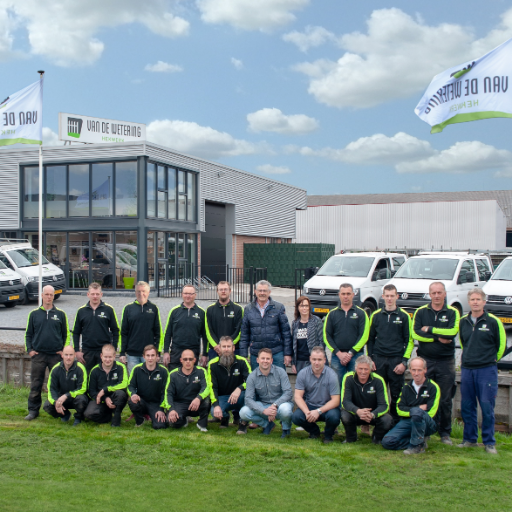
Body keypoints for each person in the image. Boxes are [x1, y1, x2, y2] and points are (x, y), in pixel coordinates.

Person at [458, 288, 506, 454]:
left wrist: (491, 360)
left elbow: (501, 346)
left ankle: (489, 442)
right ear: (469, 302)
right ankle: (470, 439)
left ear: (484, 302)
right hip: (468, 370)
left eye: (479, 299)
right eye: (473, 299)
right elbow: (464, 343)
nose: (476, 302)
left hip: (486, 370)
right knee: (467, 406)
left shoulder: (493, 321)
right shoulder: (463, 321)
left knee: (486, 407)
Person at [413, 282, 460, 445]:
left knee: (445, 399)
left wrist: (430, 329)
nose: (437, 295)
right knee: (423, 397)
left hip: (445, 362)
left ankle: (445, 433)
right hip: (425, 360)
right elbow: (415, 333)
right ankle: (424, 431)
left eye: (440, 292)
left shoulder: (453, 312)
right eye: (434, 293)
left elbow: (452, 332)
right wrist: (437, 338)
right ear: (429, 294)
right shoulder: (421, 312)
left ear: (445, 294)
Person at [367, 284, 413, 422]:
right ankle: (378, 422)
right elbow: (370, 339)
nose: (389, 298)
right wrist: (371, 359)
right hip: (378, 360)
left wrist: (404, 362)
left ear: (397, 297)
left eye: (392, 296)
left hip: (396, 361)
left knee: (396, 394)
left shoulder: (404, 316)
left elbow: (409, 341)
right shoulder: (375, 315)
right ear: (382, 297)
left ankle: (396, 422)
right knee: (377, 392)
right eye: (387, 296)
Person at [24, 285, 71, 421]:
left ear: (53, 296)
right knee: (36, 384)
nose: (49, 297)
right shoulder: (34, 314)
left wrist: (63, 351)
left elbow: (65, 334)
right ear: (42, 295)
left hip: (55, 356)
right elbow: (28, 334)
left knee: (58, 385)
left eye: (51, 295)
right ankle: (33, 411)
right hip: (38, 356)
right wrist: (30, 350)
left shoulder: (60, 314)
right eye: (47, 294)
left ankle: (61, 411)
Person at [382, 357, 440, 454]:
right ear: (410, 370)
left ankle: (416, 447)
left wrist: (415, 412)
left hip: (428, 423)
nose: (416, 373)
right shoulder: (406, 387)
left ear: (425, 370)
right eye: (413, 370)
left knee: (417, 413)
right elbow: (399, 409)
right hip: (409, 421)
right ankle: (419, 441)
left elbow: (431, 412)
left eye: (419, 370)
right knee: (387, 442)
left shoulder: (433, 387)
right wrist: (418, 408)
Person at [239, 348, 293, 437]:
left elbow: (288, 393)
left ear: (272, 360)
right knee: (243, 412)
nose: (265, 361)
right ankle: (267, 425)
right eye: (263, 358)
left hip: (280, 405)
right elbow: (248, 399)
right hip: (264, 405)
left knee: (286, 410)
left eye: (268, 359)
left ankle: (286, 429)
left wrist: (275, 405)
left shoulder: (281, 372)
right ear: (257, 360)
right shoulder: (252, 376)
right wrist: (264, 411)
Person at [239, 280, 292, 370]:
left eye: (265, 291)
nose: (262, 293)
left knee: (278, 381)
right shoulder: (248, 309)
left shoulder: (278, 307)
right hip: (256, 353)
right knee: (258, 382)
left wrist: (287, 353)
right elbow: (244, 334)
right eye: (260, 290)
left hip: (276, 353)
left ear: (269, 292)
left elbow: (286, 332)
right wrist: (243, 355)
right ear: (255, 292)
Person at [292, 346, 341, 444]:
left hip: (327, 407)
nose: (316, 362)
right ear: (310, 359)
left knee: (334, 417)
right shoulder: (303, 373)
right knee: (296, 417)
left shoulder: (332, 375)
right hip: (310, 406)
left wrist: (318, 411)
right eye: (314, 359)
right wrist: (307, 412)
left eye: (319, 360)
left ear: (324, 360)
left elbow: (336, 400)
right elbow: (297, 396)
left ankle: (328, 435)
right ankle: (314, 432)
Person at [340, 355, 393, 444]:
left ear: (371, 369)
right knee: (344, 414)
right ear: (355, 368)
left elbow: (384, 405)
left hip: (372, 415)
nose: (363, 372)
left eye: (366, 369)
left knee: (387, 419)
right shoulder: (348, 378)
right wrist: (358, 411)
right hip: (356, 413)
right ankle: (351, 438)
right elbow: (345, 402)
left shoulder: (378, 380)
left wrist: (372, 414)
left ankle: (377, 439)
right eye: (360, 369)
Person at [323, 283, 369, 386]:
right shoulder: (332, 314)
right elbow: (326, 336)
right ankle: (338, 403)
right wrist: (338, 353)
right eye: (343, 294)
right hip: (337, 357)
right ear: (339, 295)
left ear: (353, 294)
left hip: (356, 356)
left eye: (348, 293)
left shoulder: (361, 313)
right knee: (337, 386)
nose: (346, 296)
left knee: (357, 386)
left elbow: (364, 335)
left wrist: (350, 353)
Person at [73, 283, 120, 374]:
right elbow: (76, 332)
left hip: (104, 351)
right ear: (88, 294)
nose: (95, 296)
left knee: (103, 377)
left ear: (101, 294)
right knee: (87, 377)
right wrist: (77, 351)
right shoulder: (81, 311)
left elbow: (115, 330)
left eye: (97, 294)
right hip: (87, 351)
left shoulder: (108, 309)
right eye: (93, 294)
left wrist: (113, 349)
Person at [208, 336, 251, 433]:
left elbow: (251, 381)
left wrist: (239, 388)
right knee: (213, 411)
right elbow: (212, 386)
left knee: (250, 395)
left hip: (240, 396)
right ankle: (225, 418)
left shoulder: (242, 361)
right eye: (224, 347)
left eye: (228, 346)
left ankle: (243, 424)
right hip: (224, 398)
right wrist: (216, 405)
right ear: (219, 348)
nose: (226, 349)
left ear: (233, 348)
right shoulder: (212, 364)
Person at [120, 281, 162, 374]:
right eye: (138, 291)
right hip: (132, 355)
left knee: (148, 380)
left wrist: (157, 351)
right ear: (135, 292)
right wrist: (122, 352)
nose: (141, 294)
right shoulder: (128, 309)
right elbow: (124, 332)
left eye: (143, 291)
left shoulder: (153, 308)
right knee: (133, 380)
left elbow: (158, 332)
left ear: (148, 292)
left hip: (149, 355)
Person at [162, 285, 207, 371]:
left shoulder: (201, 312)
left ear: (195, 295)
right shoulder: (174, 311)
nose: (188, 296)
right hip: (176, 351)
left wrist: (204, 354)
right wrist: (166, 352)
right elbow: (167, 333)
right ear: (182, 294)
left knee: (191, 379)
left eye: (190, 293)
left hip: (193, 351)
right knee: (174, 378)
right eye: (186, 293)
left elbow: (205, 336)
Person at [165, 349, 211, 432]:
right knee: (172, 423)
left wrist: (198, 398)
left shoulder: (201, 371)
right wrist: (171, 409)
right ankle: (183, 419)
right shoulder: (173, 374)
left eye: (190, 359)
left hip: (196, 403)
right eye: (185, 359)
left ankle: (202, 424)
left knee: (207, 400)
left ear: (194, 360)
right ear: (181, 360)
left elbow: (206, 388)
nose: (188, 361)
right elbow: (168, 393)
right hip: (180, 404)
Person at [84, 344, 128, 427]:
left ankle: (116, 417)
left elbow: (124, 384)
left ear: (114, 356)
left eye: (110, 357)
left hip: (115, 398)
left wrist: (105, 390)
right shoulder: (94, 370)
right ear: (101, 356)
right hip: (100, 399)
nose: (107, 360)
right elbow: (91, 391)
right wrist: (105, 398)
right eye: (105, 357)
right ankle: (107, 416)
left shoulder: (121, 367)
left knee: (121, 393)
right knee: (89, 414)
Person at [43, 345, 88, 426]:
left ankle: (78, 418)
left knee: (82, 399)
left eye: (71, 355)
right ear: (62, 355)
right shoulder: (55, 369)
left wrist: (67, 395)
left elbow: (82, 388)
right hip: (61, 399)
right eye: (66, 355)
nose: (68, 357)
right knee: (47, 406)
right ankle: (65, 414)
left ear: (74, 355)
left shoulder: (80, 368)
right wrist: (56, 401)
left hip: (75, 398)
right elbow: (51, 389)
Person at [127, 345, 168, 429]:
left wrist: (161, 409)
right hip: (141, 401)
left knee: (160, 426)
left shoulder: (163, 371)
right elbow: (130, 386)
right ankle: (140, 420)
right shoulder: (137, 369)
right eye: (148, 355)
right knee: (132, 401)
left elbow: (166, 391)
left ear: (157, 356)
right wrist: (133, 394)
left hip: (156, 404)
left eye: (152, 355)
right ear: (143, 356)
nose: (150, 358)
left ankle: (152, 415)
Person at [205, 281, 244, 359]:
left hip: (234, 349)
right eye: (221, 289)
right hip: (215, 350)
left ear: (230, 291)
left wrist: (229, 345)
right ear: (217, 291)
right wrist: (217, 345)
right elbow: (208, 330)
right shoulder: (210, 309)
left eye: (225, 289)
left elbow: (240, 330)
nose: (223, 291)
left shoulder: (239, 309)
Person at [291, 295, 324, 374]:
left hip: (313, 360)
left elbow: (321, 341)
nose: (304, 308)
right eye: (302, 306)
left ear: (309, 307)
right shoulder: (295, 323)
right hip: (299, 361)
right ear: (298, 308)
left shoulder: (316, 321)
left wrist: (318, 358)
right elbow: (293, 344)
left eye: (306, 306)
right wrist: (293, 363)